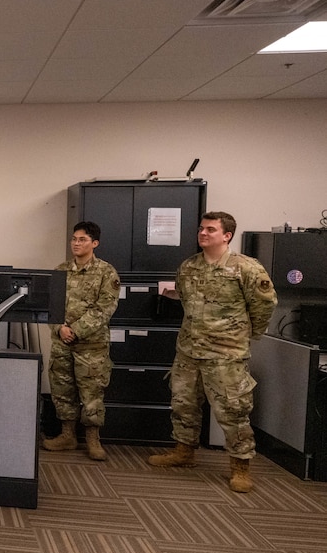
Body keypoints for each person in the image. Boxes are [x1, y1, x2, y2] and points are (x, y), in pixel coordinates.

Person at [148, 211, 277, 493]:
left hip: (226, 354)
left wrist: (246, 335)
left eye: (210, 230)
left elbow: (264, 305)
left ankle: (240, 466)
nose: (203, 233)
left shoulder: (246, 268)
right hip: (189, 351)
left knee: (233, 410)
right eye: (201, 229)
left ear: (226, 235)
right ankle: (184, 452)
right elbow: (184, 300)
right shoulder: (188, 267)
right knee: (183, 404)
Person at [43, 221, 120, 461]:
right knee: (62, 390)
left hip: (91, 346)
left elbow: (104, 309)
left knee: (91, 394)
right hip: (62, 343)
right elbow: (49, 307)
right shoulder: (60, 270)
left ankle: (93, 439)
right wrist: (59, 329)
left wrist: (75, 330)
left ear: (94, 243)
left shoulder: (106, 273)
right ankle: (67, 435)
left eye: (82, 240)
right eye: (74, 239)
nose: (76, 243)